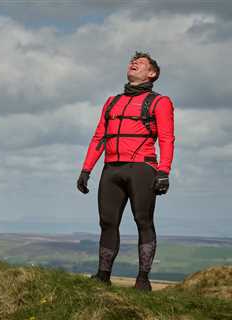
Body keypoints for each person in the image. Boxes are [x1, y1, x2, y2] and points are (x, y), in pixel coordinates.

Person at [76, 52, 175, 291]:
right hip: (111, 169)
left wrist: (164, 171)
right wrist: (86, 169)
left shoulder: (160, 102)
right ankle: (103, 276)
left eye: (141, 63)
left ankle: (142, 279)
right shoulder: (111, 102)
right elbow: (99, 137)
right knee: (107, 222)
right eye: (132, 61)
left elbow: (167, 138)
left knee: (143, 221)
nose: (133, 63)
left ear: (152, 73)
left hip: (142, 168)